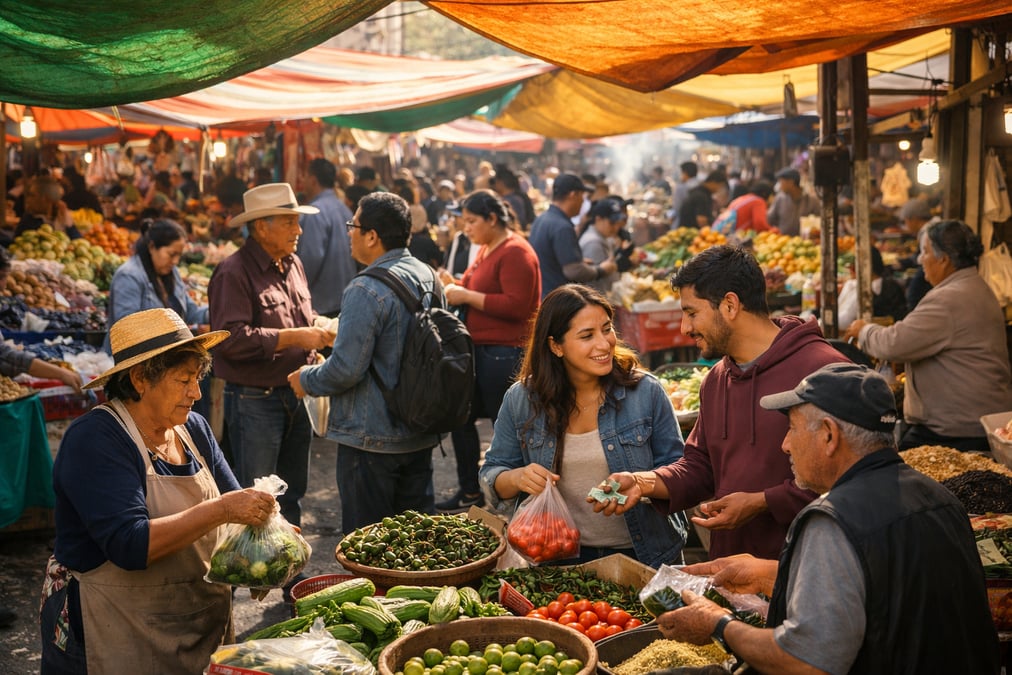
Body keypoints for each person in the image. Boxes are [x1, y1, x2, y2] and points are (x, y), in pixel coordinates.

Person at [656, 363, 1000, 675]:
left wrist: (718, 624)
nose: (785, 446)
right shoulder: (939, 498)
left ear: (829, 435)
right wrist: (778, 574)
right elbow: (893, 589)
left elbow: (804, 662)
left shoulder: (833, 520)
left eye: (791, 429)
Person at [39, 308, 278, 674]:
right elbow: (130, 545)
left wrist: (268, 543)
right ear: (139, 379)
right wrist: (222, 511)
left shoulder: (193, 429)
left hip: (195, 625)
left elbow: (237, 512)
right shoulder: (96, 439)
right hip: (111, 629)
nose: (196, 393)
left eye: (198, 378)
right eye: (183, 380)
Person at [592, 245, 846, 560]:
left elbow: (851, 477)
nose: (685, 328)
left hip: (806, 569)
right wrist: (644, 482)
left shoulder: (825, 370)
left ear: (729, 305)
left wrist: (762, 502)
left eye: (691, 312)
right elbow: (700, 467)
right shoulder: (716, 380)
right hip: (730, 571)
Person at [479, 285, 686, 567]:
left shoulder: (645, 393)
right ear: (556, 346)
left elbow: (681, 475)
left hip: (646, 555)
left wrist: (642, 485)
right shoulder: (523, 399)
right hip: (557, 559)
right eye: (587, 336)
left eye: (607, 328)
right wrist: (517, 478)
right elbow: (492, 474)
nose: (604, 344)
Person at [287, 192, 444, 533]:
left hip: (372, 438)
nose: (349, 233)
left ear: (372, 236)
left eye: (352, 226)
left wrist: (306, 379)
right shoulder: (429, 276)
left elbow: (345, 369)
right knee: (414, 545)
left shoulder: (365, 288)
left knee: (368, 548)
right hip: (419, 430)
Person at [207, 183, 335, 534]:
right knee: (255, 498)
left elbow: (301, 317)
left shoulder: (293, 263)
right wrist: (294, 337)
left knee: (292, 493)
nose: (299, 230)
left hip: (296, 394)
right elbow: (229, 339)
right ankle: (244, 578)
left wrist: (319, 328)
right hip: (255, 399)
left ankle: (287, 574)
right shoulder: (233, 271)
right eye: (290, 222)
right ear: (262, 226)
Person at [843, 220, 1012, 452]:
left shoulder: (949, 299)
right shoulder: (975, 287)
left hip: (956, 428)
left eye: (924, 252)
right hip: (972, 416)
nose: (920, 259)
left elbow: (893, 343)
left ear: (943, 259)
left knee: (890, 471)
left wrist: (864, 330)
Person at [435, 190, 541, 513]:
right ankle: (470, 490)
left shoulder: (516, 252)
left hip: (504, 354)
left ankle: (521, 496)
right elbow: (480, 289)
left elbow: (518, 305)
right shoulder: (486, 248)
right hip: (480, 352)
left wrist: (465, 295)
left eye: (471, 221)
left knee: (507, 425)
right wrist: (454, 285)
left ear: (492, 219)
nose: (466, 228)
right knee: (461, 418)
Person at [105, 218, 208, 351]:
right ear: (152, 247)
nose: (176, 261)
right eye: (172, 254)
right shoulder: (129, 276)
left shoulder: (172, 273)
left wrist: (218, 311)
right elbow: (126, 328)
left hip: (164, 357)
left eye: (179, 255)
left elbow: (190, 311)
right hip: (134, 362)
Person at [529, 173, 616, 298]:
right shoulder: (562, 226)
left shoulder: (542, 219)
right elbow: (573, 271)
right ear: (573, 195)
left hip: (544, 294)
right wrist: (601, 270)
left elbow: (550, 257)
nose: (582, 202)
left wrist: (577, 260)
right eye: (582, 196)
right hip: (558, 299)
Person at [295, 158, 356, 318]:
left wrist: (297, 292)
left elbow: (310, 257)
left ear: (313, 180)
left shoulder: (314, 213)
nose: (303, 181)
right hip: (346, 300)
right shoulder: (344, 209)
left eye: (305, 177)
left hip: (321, 305)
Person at [836, 245, 907, 328]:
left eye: (855, 264)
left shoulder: (868, 289)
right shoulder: (855, 285)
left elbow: (845, 321)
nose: (852, 268)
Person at [579, 197, 627, 293]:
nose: (616, 227)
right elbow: (594, 285)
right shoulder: (593, 243)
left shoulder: (602, 237)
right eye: (612, 223)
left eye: (617, 223)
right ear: (598, 219)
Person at [14, 175, 83, 240]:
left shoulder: (62, 218)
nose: (28, 200)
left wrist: (69, 225)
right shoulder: (29, 220)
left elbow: (79, 243)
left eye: (32, 195)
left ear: (45, 199)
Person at [766, 168, 818, 237]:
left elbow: (818, 221)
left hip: (805, 243)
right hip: (783, 241)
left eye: (781, 182)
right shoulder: (780, 199)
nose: (780, 186)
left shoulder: (811, 200)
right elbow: (770, 218)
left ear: (791, 182)